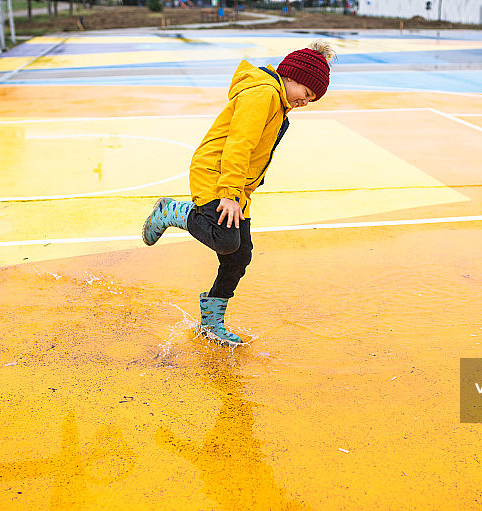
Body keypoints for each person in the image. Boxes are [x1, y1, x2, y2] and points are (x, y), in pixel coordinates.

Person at [142, 40, 336, 345]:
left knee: (239, 256)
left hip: (234, 185)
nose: (306, 101)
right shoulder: (263, 94)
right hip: (216, 175)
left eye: (312, 98)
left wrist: (241, 192)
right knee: (226, 240)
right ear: (291, 76)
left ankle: (211, 323)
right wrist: (230, 194)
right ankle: (172, 212)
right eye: (307, 92)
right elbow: (239, 144)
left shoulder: (277, 104)